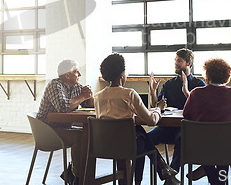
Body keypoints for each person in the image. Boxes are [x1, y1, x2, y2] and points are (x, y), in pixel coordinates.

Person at [94, 53, 180, 185]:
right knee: (140, 135)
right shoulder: (129, 94)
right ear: (122, 74)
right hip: (127, 147)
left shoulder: (98, 97)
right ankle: (162, 169)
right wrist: (158, 108)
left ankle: (163, 170)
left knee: (139, 133)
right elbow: (151, 121)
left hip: (104, 146)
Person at [183, 58, 231, 185]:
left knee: (207, 146)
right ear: (227, 76)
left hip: (200, 150)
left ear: (207, 75)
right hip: (228, 150)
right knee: (228, 146)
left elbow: (186, 115)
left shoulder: (195, 94)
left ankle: (215, 181)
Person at [147, 48, 205, 174]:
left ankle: (172, 173)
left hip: (187, 128)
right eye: (175, 60)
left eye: (179, 60)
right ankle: (163, 169)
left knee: (180, 139)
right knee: (145, 140)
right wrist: (152, 92)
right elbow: (156, 105)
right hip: (167, 127)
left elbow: (202, 109)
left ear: (188, 63)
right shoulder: (169, 84)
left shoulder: (199, 84)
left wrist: (186, 92)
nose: (176, 63)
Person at [36, 59, 94, 185]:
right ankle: (78, 179)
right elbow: (63, 107)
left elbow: (89, 105)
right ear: (67, 75)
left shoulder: (76, 87)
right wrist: (83, 96)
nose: (79, 74)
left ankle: (73, 173)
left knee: (88, 133)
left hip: (62, 128)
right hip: (47, 131)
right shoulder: (54, 85)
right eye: (76, 72)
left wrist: (89, 96)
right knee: (79, 137)